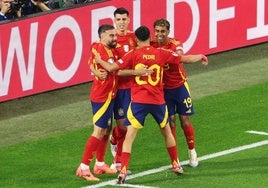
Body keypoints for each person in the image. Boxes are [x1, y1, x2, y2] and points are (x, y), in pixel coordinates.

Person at [95, 25, 208, 184]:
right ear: (150, 37)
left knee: (129, 138)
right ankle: (175, 164)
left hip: (139, 102)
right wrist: (201, 56)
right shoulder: (161, 53)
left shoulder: (132, 54)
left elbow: (113, 68)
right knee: (167, 132)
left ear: (136, 39)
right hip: (157, 101)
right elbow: (186, 59)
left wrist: (99, 60)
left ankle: (124, 170)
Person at [76, 24, 150, 182]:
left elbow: (91, 59)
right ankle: (83, 167)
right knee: (98, 131)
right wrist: (136, 72)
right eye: (111, 36)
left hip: (110, 94)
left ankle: (100, 164)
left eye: (115, 35)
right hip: (102, 96)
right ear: (102, 36)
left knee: (105, 130)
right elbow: (113, 69)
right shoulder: (104, 51)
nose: (114, 38)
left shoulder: (98, 46)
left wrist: (95, 68)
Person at [151, 19, 207, 167]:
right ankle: (175, 159)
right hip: (163, 90)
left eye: (163, 31)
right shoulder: (150, 43)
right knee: (170, 122)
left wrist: (199, 56)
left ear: (168, 32)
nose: (159, 34)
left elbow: (181, 55)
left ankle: (192, 151)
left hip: (180, 86)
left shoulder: (175, 44)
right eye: (157, 31)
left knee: (185, 120)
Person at [90, 7, 137, 173]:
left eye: (124, 19)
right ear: (115, 21)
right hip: (114, 89)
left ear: (129, 20)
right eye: (119, 20)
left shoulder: (133, 38)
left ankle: (116, 155)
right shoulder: (109, 42)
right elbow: (95, 60)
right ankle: (102, 162)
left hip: (128, 88)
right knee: (106, 127)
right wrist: (95, 70)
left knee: (123, 127)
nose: (122, 23)